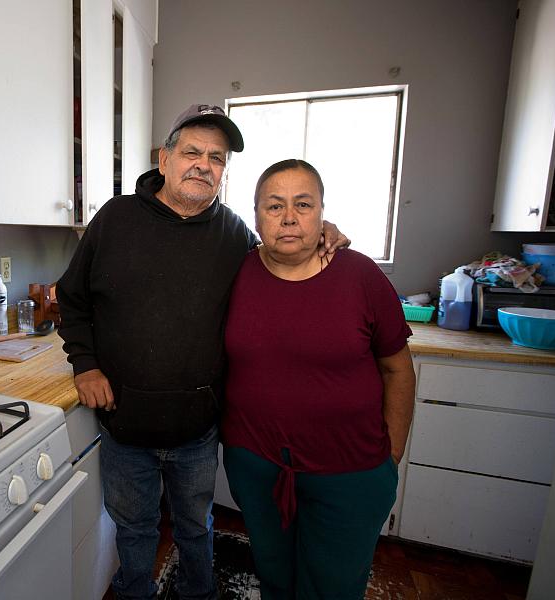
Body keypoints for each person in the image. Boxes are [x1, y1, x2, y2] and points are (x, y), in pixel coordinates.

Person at [57, 105, 349, 600]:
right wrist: (85, 364)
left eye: (216, 157)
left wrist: (322, 229)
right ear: (164, 159)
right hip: (125, 425)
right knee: (134, 530)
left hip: (197, 430)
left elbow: (282, 253)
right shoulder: (115, 219)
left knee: (196, 526)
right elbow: (73, 298)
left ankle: (199, 595)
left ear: (223, 173)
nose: (203, 163)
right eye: (191, 151)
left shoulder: (236, 235)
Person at [221, 159, 416, 599]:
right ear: (255, 217)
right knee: (274, 577)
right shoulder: (236, 272)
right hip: (257, 466)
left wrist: (391, 457)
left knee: (332, 589)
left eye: (303, 205)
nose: (289, 217)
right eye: (274, 206)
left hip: (350, 471)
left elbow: (397, 368)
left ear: (322, 213)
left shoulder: (361, 276)